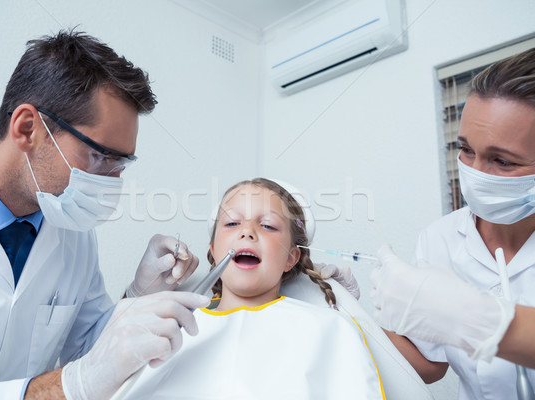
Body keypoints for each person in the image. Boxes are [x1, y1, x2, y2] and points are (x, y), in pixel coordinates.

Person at [0, 30, 210, 400]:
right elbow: (83, 376)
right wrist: (68, 386)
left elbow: (91, 351)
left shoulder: (71, 229)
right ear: (27, 129)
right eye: (100, 156)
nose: (113, 182)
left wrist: (141, 294)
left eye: (122, 164)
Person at [369, 47, 535, 399]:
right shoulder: (440, 238)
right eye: (466, 149)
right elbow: (430, 365)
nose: (473, 173)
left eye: (502, 161)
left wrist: (479, 321)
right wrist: (349, 312)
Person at [122, 178, 385, 399]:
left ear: (291, 257)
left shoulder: (330, 330)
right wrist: (136, 298)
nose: (247, 232)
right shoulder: (167, 328)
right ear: (213, 250)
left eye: (268, 225)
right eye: (232, 223)